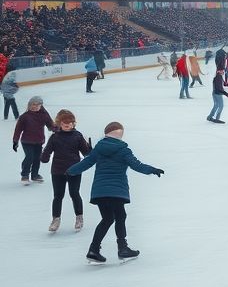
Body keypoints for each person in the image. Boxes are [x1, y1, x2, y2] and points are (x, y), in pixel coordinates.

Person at [68, 121, 164, 264]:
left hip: (99, 191)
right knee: (120, 216)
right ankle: (122, 248)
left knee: (107, 219)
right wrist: (152, 170)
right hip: (117, 190)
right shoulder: (123, 150)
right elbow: (136, 165)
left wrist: (70, 171)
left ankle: (93, 250)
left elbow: (86, 163)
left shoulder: (98, 149)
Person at [41, 109, 91, 233]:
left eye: (70, 121)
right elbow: (47, 152)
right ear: (59, 123)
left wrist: (90, 149)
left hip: (74, 169)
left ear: (74, 123)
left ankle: (79, 218)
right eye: (64, 122)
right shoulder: (54, 137)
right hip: (58, 170)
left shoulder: (78, 136)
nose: (67, 124)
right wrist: (44, 156)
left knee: (74, 194)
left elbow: (86, 153)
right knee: (58, 196)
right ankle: (55, 219)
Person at [13, 95, 55, 184]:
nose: (34, 106)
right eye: (33, 104)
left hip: (39, 141)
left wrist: (59, 130)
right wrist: (15, 141)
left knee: (37, 158)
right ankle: (24, 175)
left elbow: (50, 125)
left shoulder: (44, 115)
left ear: (41, 106)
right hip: (27, 141)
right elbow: (18, 129)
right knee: (29, 157)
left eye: (37, 105)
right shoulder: (25, 116)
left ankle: (35, 175)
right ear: (29, 105)